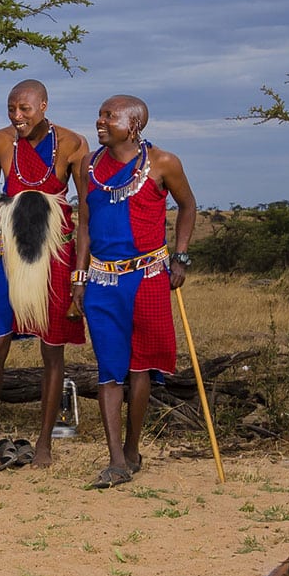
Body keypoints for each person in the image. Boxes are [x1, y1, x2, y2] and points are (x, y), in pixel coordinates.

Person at [70, 94, 197, 488]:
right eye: (100, 115)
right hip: (102, 281)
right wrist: (79, 276)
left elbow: (188, 207)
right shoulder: (88, 165)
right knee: (109, 370)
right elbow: (85, 225)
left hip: (148, 278)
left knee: (140, 368)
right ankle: (115, 461)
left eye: (109, 116)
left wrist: (181, 258)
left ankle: (132, 448)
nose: (100, 121)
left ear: (134, 124)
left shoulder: (163, 163)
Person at [0, 80, 90, 469]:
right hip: (13, 255)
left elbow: (85, 209)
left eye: (25, 109)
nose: (17, 117)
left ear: (44, 106)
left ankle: (44, 445)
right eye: (11, 109)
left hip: (55, 256)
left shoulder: (72, 143)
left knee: (52, 352)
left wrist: (80, 272)